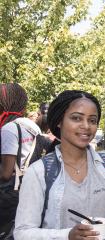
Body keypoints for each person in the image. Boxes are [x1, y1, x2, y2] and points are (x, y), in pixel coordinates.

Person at [14, 90, 105, 240]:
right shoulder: (39, 172)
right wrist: (66, 235)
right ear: (59, 121)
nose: (86, 126)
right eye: (76, 118)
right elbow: (22, 233)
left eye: (92, 120)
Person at [0, 83, 42, 238]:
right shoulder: (31, 126)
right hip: (28, 190)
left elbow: (6, 172)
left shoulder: (8, 129)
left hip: (9, 195)